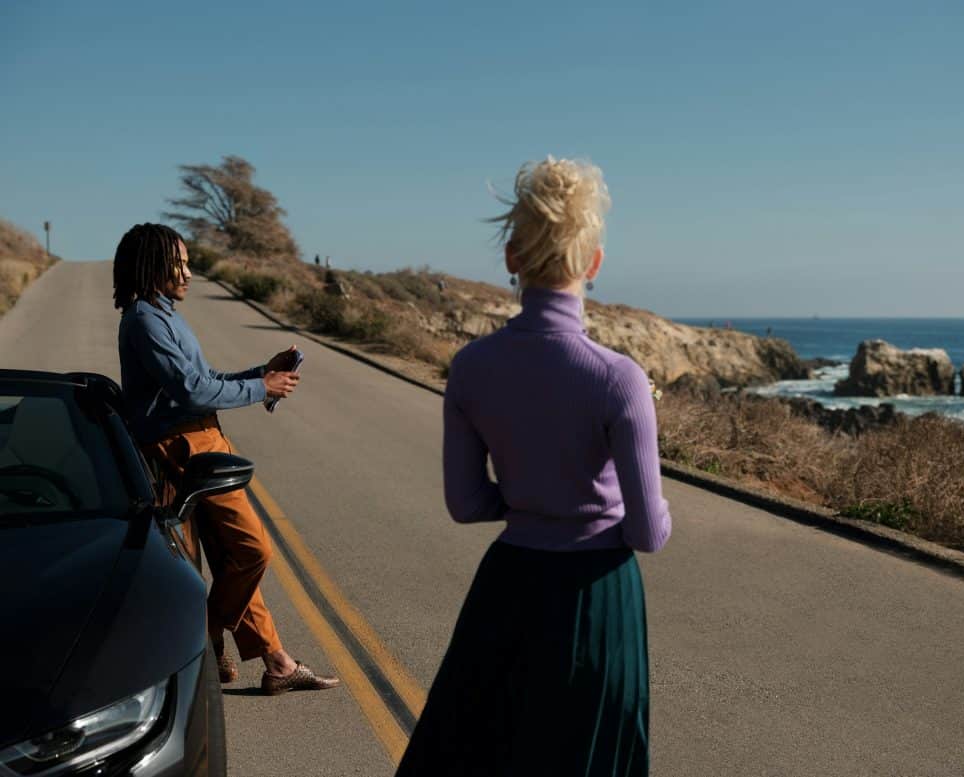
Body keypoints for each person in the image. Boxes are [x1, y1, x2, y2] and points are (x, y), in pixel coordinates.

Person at [395, 158, 671, 776]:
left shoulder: (471, 367)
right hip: (598, 596)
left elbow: (466, 504)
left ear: (512, 257)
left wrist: (528, 503)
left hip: (510, 588)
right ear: (593, 263)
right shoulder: (618, 379)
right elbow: (649, 533)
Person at [113, 223, 340, 696]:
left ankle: (277, 662)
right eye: (180, 263)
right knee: (252, 550)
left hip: (201, 440)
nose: (190, 272)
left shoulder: (165, 315)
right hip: (186, 449)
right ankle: (201, 635)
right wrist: (262, 389)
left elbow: (205, 377)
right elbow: (192, 390)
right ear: (153, 265)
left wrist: (264, 373)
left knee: (227, 555)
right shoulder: (144, 320)